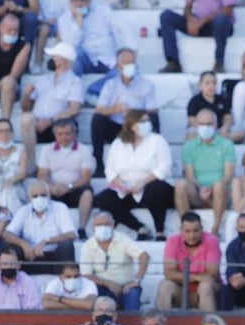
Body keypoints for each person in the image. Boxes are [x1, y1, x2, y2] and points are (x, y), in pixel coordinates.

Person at [92, 110, 174, 240]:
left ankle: (160, 231)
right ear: (131, 125)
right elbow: (110, 170)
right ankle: (139, 228)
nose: (147, 124)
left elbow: (164, 167)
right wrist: (121, 185)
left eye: (147, 121)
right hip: (125, 188)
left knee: (155, 190)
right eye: (142, 121)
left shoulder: (158, 140)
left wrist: (142, 183)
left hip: (150, 185)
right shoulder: (118, 143)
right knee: (104, 198)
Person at [91, 50, 160, 179]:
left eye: (133, 62)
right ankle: (99, 163)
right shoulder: (110, 85)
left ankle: (155, 159)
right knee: (97, 119)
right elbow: (99, 109)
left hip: (136, 127)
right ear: (119, 66)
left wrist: (133, 113)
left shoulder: (146, 85)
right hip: (115, 127)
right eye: (127, 63)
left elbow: (153, 110)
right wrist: (114, 109)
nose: (131, 66)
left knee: (154, 119)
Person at [20, 41, 84, 167]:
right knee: (26, 119)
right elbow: (25, 108)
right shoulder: (43, 80)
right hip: (37, 124)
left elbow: (74, 109)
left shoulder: (75, 82)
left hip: (57, 124)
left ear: (64, 60)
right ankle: (30, 164)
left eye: (55, 56)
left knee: (64, 127)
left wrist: (50, 121)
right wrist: (26, 95)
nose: (52, 59)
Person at [176, 108, 235, 238]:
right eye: (202, 124)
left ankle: (215, 228)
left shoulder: (227, 145)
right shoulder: (189, 147)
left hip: (220, 193)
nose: (205, 127)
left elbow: (228, 175)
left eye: (209, 124)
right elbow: (189, 175)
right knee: (180, 185)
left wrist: (211, 188)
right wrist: (201, 188)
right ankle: (186, 227)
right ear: (196, 125)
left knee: (219, 185)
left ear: (216, 124)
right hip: (198, 192)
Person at [3, 180, 78, 275]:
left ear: (49, 196)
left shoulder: (60, 208)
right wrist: (23, 244)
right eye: (35, 196)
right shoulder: (24, 210)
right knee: (11, 247)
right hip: (30, 256)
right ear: (29, 199)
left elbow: (71, 234)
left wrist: (46, 241)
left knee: (66, 245)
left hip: (54, 258)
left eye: (43, 195)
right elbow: (7, 234)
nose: (39, 198)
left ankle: (65, 278)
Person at [79, 209, 148, 310]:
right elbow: (86, 275)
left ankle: (132, 320)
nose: (103, 227)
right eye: (99, 225)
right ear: (93, 227)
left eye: (106, 224)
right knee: (94, 296)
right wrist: (109, 284)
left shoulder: (123, 239)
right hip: (102, 287)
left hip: (126, 287)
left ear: (113, 225)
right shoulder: (88, 246)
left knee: (133, 293)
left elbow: (144, 255)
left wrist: (137, 280)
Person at [36, 118, 95, 236]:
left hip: (75, 189)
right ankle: (43, 228)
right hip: (54, 189)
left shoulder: (84, 150)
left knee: (88, 192)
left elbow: (86, 178)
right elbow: (42, 175)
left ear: (74, 133)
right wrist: (51, 187)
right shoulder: (47, 150)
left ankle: (81, 229)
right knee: (39, 191)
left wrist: (68, 187)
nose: (64, 137)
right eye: (60, 134)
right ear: (55, 135)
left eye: (67, 133)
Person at [156, 212, 222, 312]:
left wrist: (182, 277)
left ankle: (208, 321)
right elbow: (169, 273)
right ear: (181, 230)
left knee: (205, 286)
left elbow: (212, 273)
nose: (192, 236)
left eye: (195, 231)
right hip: (180, 290)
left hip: (206, 290)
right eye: (187, 231)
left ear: (201, 229)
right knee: (165, 286)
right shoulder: (172, 241)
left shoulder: (211, 241)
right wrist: (197, 277)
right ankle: (161, 321)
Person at [159, 0, 234, 74]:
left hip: (218, 25)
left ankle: (219, 63)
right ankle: (173, 63)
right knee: (166, 16)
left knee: (220, 20)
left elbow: (227, 10)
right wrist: (190, 20)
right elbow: (188, 6)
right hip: (198, 25)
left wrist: (202, 21)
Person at [0, 244, 41, 309]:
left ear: (19, 265)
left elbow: (32, 309)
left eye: (12, 264)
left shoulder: (28, 283)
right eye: (5, 264)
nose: (8, 267)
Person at [187, 70, 243, 143]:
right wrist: (207, 130)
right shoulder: (195, 101)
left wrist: (225, 128)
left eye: (214, 83)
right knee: (190, 134)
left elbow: (228, 117)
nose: (211, 86)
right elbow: (192, 120)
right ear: (200, 86)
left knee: (242, 133)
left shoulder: (221, 99)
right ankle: (216, 140)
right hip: (202, 131)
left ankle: (216, 140)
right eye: (207, 83)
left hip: (219, 131)